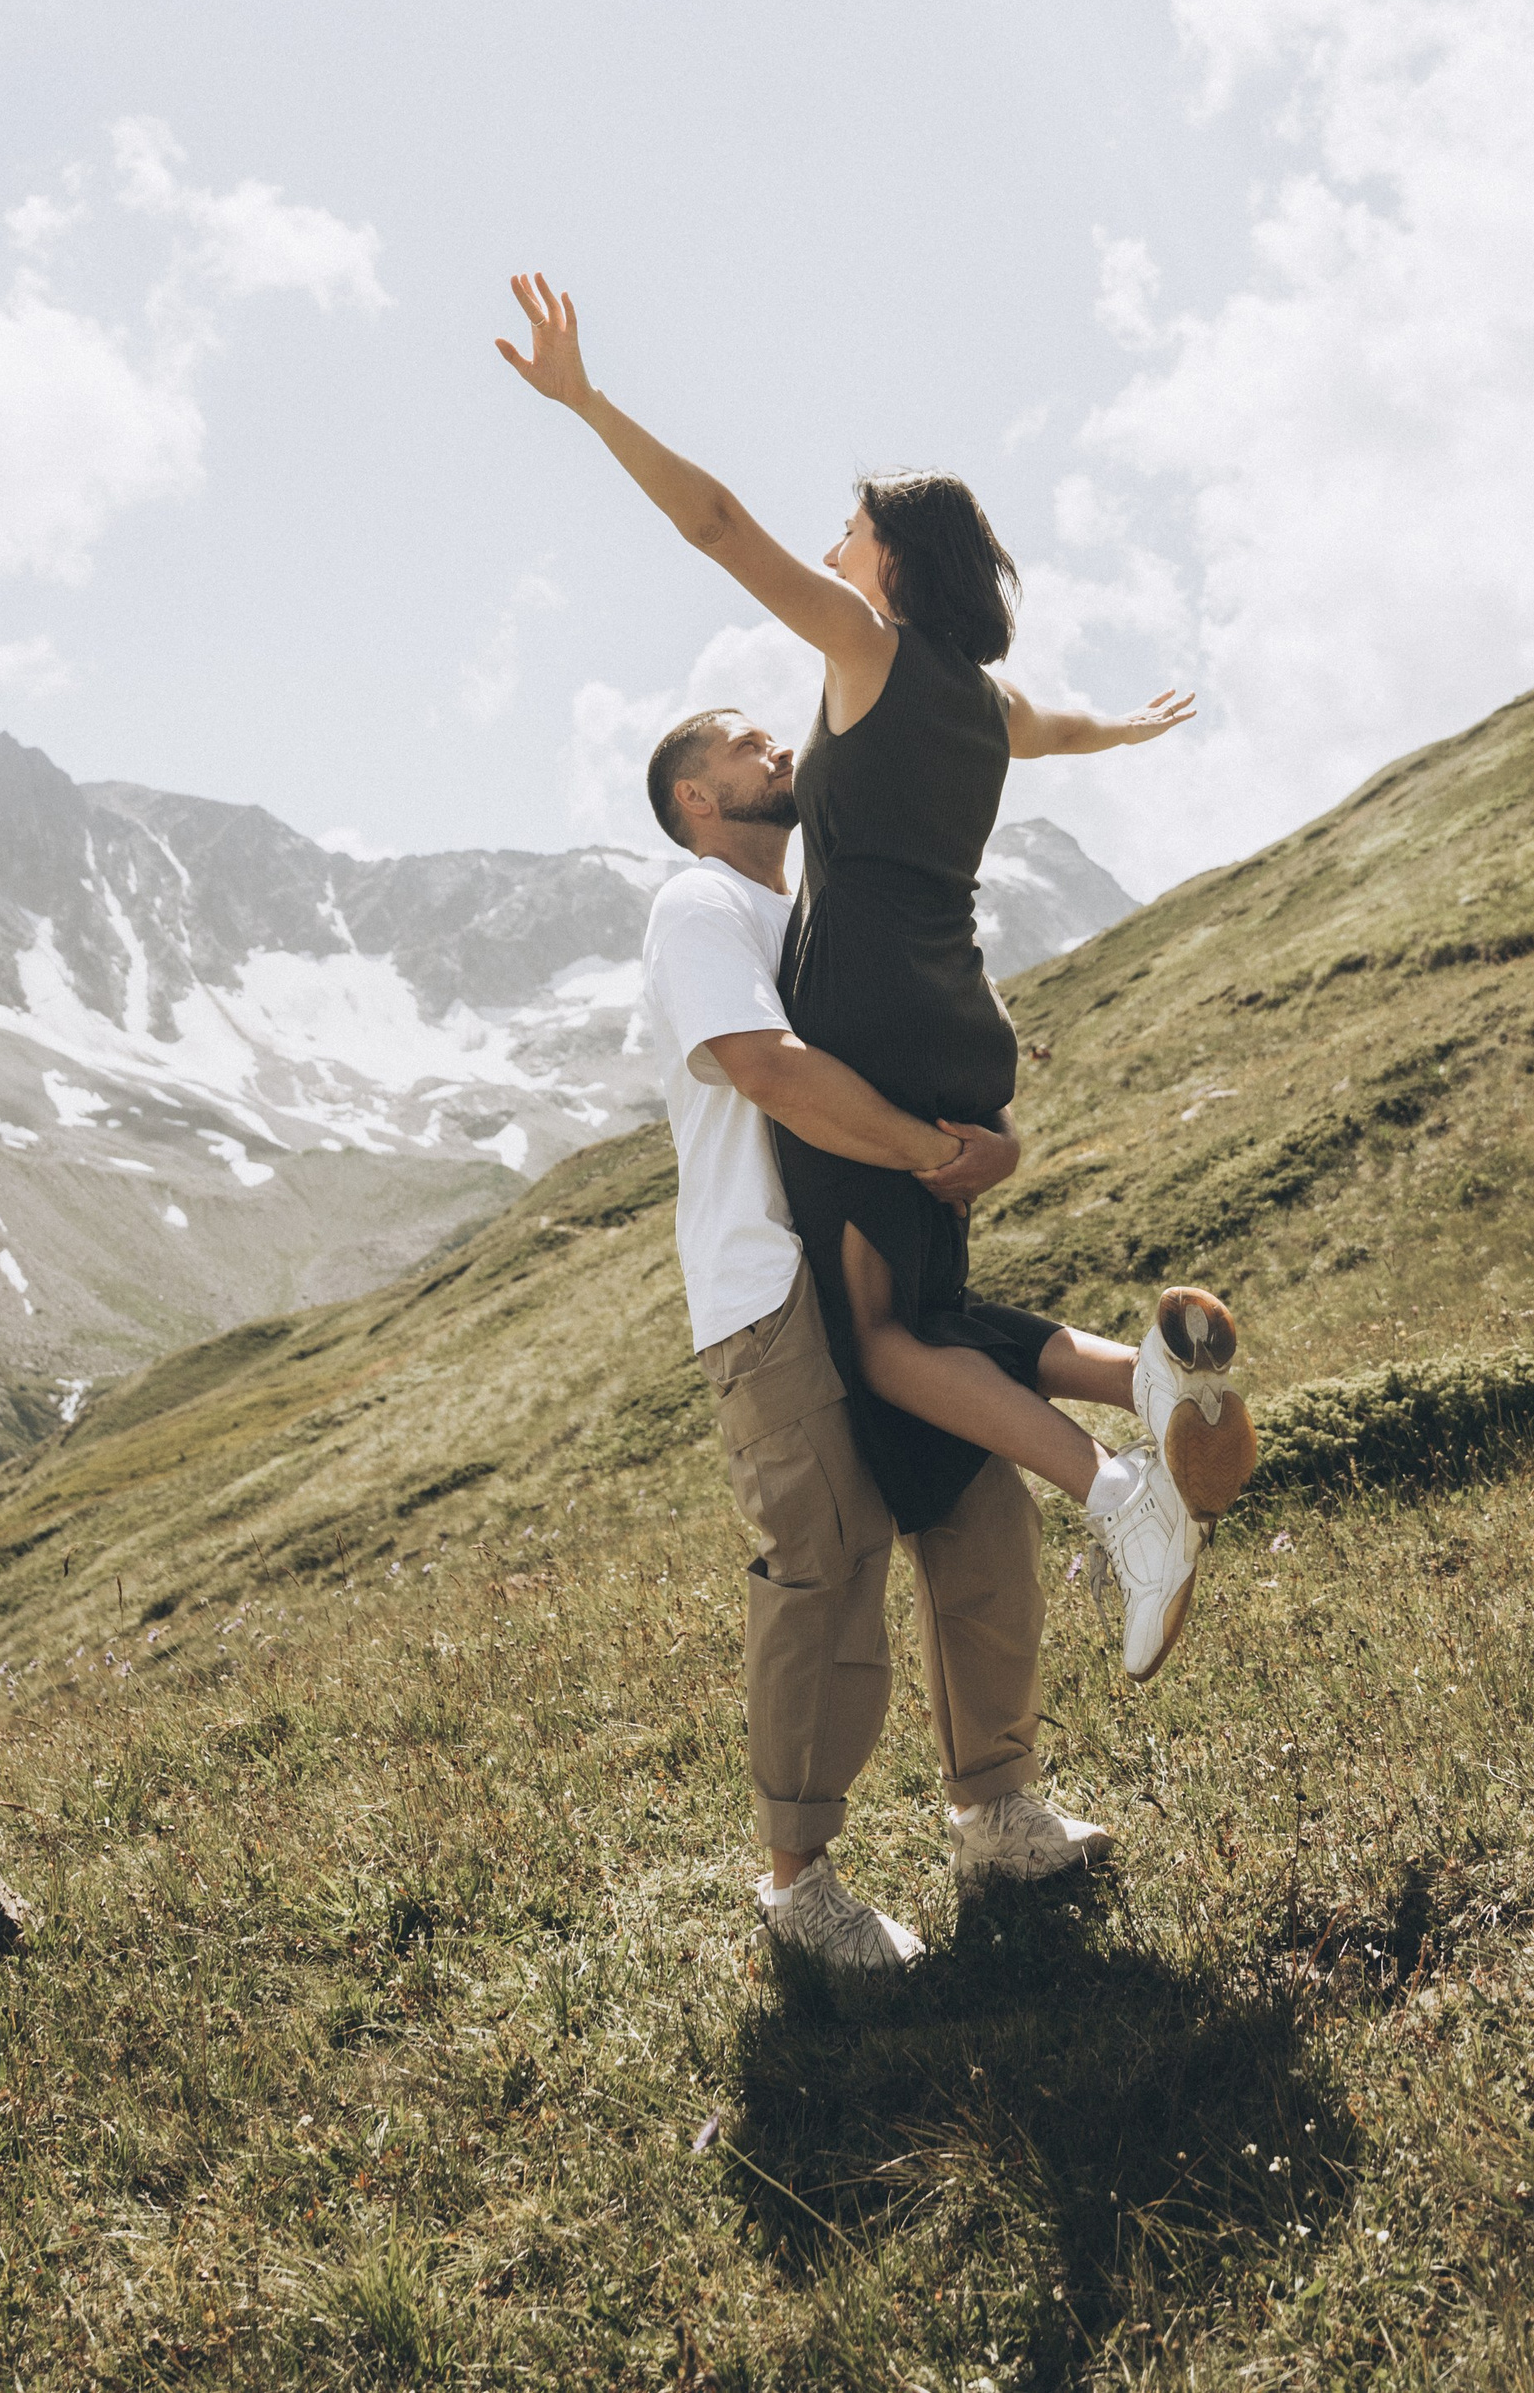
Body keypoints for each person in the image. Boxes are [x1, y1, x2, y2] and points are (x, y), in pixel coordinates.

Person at [497, 274, 1259, 1684]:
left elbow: (716, 525)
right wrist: (1133, 735)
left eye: (852, 525)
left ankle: (1122, 1501)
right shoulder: (987, 699)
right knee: (940, 1312)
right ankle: (1139, 1375)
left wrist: (588, 402)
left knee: (888, 1343)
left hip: (869, 1019)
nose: (833, 539)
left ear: (893, 558)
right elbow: (1063, 725)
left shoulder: (863, 647)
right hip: (968, 1020)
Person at [640, 700, 1112, 1968]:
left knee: (978, 1514)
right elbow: (763, 1065)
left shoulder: (814, 913)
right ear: (693, 798)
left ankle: (995, 1804)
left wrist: (984, 1144)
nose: (777, 746)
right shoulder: (700, 908)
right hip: (770, 1286)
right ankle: (798, 1888)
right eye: (741, 742)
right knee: (825, 1560)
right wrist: (925, 1151)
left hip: (878, 1266)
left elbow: (912, 1062)